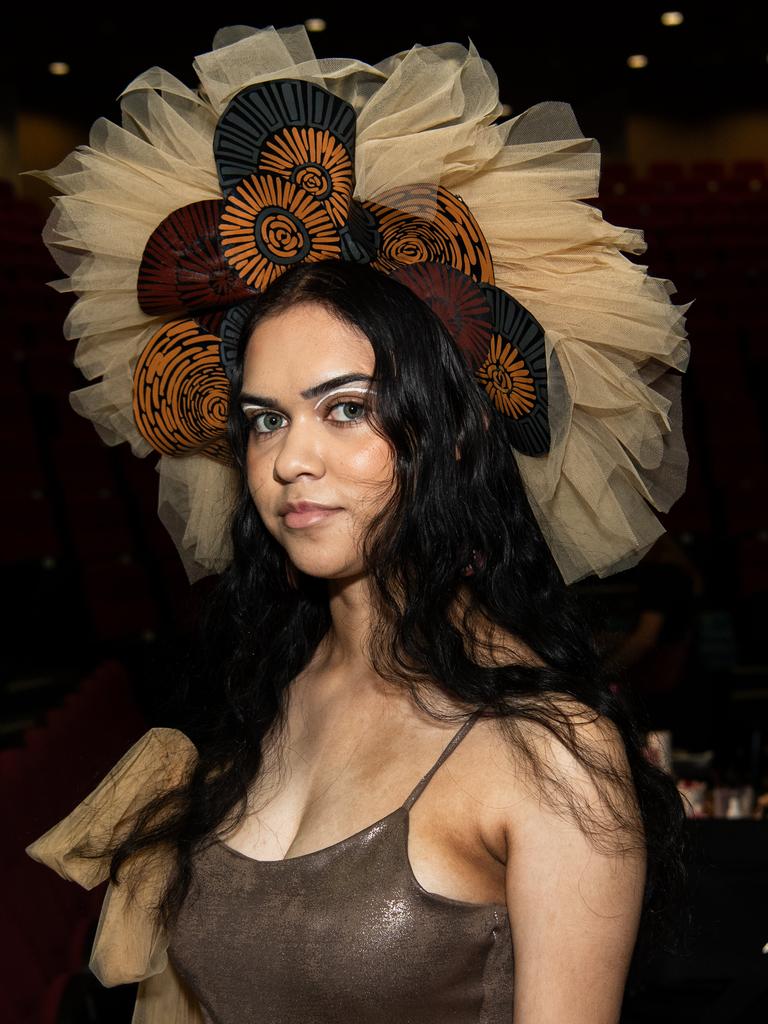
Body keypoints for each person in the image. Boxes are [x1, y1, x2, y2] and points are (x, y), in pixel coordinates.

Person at [24, 24, 692, 1024]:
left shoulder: (550, 751)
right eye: (264, 419)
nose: (290, 457)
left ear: (451, 435)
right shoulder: (265, 701)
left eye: (345, 407)